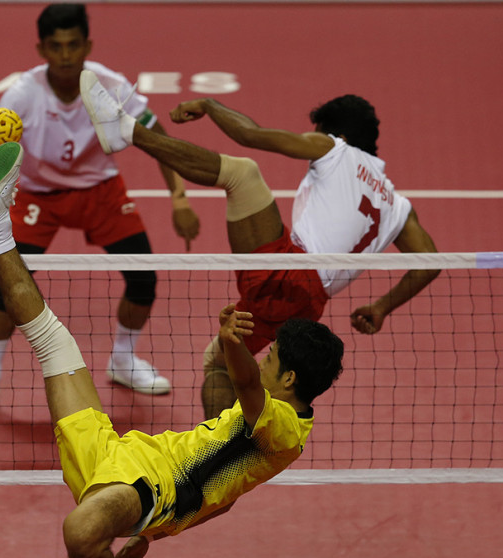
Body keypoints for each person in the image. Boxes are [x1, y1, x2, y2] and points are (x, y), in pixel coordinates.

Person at [0, 141, 344, 558]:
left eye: (271, 355)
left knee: (80, 530)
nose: (263, 357)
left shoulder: (284, 431)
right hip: (133, 456)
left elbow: (249, 388)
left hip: (159, 487)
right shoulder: (262, 426)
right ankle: (0, 227)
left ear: (290, 377)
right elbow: (223, 503)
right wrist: (153, 538)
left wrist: (232, 340)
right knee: (50, 337)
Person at [79, 72, 441, 419]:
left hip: (291, 270)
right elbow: (433, 262)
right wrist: (381, 307)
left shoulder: (335, 148)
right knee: (219, 361)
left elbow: (251, 134)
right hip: (308, 305)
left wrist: (209, 104)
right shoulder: (397, 204)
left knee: (242, 173)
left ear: (337, 133)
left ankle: (126, 131)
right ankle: (219, 460)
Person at [0, 3, 200, 419]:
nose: (66, 55)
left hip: (100, 191)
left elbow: (157, 138)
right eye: (56, 46)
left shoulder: (110, 84)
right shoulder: (23, 94)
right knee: (6, 292)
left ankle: (122, 361)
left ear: (87, 45)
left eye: (73, 45)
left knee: (144, 278)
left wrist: (179, 197)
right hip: (37, 195)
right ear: (41, 49)